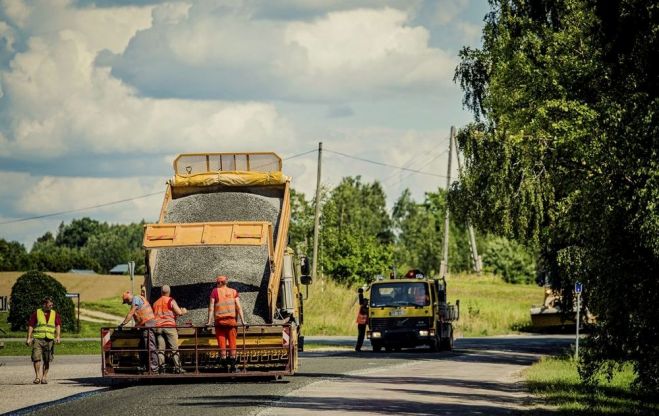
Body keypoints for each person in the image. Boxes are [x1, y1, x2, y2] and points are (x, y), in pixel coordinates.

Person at [206, 275, 246, 373]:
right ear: (226, 282)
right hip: (231, 322)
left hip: (220, 323)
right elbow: (239, 307)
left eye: (217, 283)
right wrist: (243, 321)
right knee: (232, 343)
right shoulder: (233, 292)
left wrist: (209, 322)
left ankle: (224, 366)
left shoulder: (215, 291)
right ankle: (233, 366)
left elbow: (211, 307)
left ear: (219, 283)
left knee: (222, 344)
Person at [120, 290, 158, 374]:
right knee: (142, 345)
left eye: (126, 301)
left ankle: (154, 368)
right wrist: (136, 327)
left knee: (150, 345)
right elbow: (140, 318)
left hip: (148, 324)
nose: (127, 303)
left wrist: (122, 324)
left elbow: (130, 314)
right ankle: (145, 365)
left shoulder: (136, 299)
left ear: (128, 299)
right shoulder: (137, 300)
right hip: (145, 325)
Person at [26, 296, 61, 384]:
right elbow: (31, 325)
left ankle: (44, 377)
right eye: (50, 305)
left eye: (52, 305)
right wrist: (29, 338)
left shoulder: (54, 313)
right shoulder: (37, 313)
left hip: (49, 339)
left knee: (47, 359)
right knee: (36, 358)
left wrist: (58, 336)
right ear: (45, 304)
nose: (51, 306)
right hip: (38, 338)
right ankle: (37, 377)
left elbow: (57, 325)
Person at [153, 285, 188, 373]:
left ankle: (161, 367)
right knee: (174, 348)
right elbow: (179, 312)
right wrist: (183, 311)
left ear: (161, 292)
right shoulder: (170, 300)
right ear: (169, 292)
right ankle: (178, 367)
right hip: (169, 327)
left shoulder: (155, 303)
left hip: (159, 328)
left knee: (161, 349)